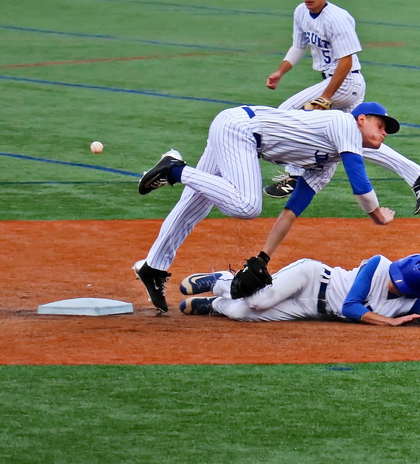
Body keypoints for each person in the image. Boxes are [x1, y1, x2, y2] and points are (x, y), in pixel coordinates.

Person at [133, 102, 401, 314]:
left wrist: (264, 257)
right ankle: (175, 169)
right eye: (380, 125)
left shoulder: (325, 167)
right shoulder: (344, 123)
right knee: (247, 205)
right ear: (361, 119)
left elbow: (290, 212)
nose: (384, 132)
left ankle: (154, 267)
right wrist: (377, 215)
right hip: (240, 129)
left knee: (193, 205)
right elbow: (360, 182)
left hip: (237, 131)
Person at [264, 0, 420, 215]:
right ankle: (418, 176)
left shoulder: (337, 18)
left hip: (346, 82)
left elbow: (345, 62)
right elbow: (297, 46)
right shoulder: (301, 12)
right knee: (352, 140)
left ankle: (293, 175)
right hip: (335, 83)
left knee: (285, 113)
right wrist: (281, 72)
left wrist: (325, 97)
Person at [177, 253, 420, 330]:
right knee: (260, 299)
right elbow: (352, 307)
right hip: (311, 278)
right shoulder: (377, 265)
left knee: (242, 312)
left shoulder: (413, 301)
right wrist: (389, 323)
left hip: (313, 309)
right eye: (395, 278)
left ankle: (216, 303)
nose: (391, 283)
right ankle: (222, 280)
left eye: (398, 286)